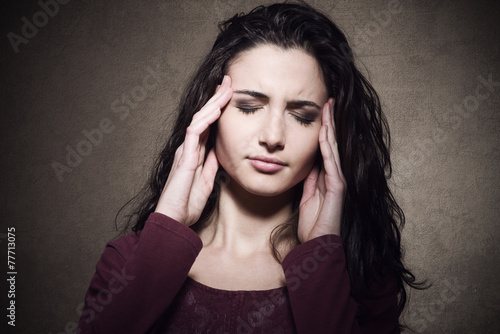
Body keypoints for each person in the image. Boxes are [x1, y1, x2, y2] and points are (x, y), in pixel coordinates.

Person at [77, 2, 423, 333]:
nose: (273, 137)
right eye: (248, 107)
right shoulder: (126, 262)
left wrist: (320, 256)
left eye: (302, 116)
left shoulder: (361, 277)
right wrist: (168, 220)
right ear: (210, 112)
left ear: (329, 132)